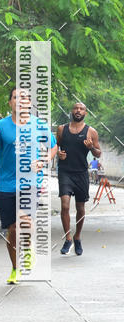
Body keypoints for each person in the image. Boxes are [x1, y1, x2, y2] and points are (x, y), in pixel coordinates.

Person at [0, 87, 57, 284]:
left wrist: (43, 161)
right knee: (13, 230)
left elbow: (54, 146)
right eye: (16, 97)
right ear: (10, 102)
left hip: (30, 182)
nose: (20, 101)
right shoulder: (1, 126)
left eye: (24, 98)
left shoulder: (38, 125)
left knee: (24, 221)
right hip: (6, 186)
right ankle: (15, 268)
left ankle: (29, 248)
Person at [56, 102, 101, 255]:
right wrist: (58, 154)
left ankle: (77, 237)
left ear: (85, 113)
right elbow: (56, 147)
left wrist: (91, 148)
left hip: (81, 173)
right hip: (65, 172)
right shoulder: (62, 129)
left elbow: (98, 153)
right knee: (65, 205)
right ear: (72, 111)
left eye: (81, 109)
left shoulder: (91, 132)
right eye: (76, 108)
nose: (78, 111)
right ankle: (68, 238)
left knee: (80, 208)